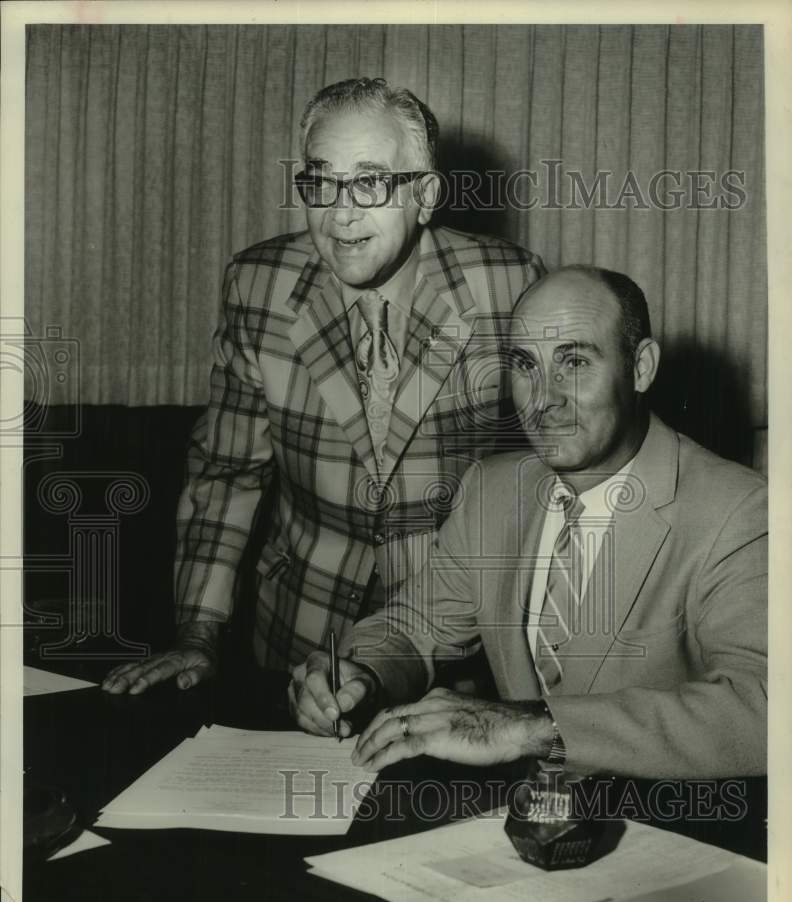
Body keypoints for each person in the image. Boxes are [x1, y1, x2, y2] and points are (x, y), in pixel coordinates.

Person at [103, 77, 545, 695]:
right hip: (299, 634)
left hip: (454, 641)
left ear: (425, 195)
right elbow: (227, 474)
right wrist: (198, 632)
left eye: (370, 181)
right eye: (321, 181)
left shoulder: (509, 285)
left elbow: (545, 471)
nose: (340, 214)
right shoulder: (258, 286)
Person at [290, 266, 767, 780]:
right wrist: (360, 674)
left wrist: (530, 727)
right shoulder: (492, 491)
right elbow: (414, 629)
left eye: (575, 362)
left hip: (666, 828)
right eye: (524, 365)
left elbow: (764, 708)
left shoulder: (736, 511)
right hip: (518, 831)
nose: (544, 398)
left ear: (641, 368)